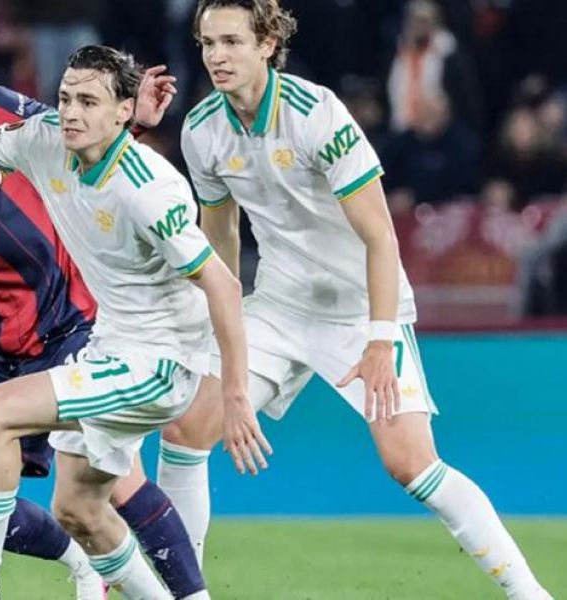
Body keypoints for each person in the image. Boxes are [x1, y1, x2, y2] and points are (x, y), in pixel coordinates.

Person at [158, 1, 554, 599]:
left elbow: (381, 237)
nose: (217, 55)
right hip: (279, 305)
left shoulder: (316, 114)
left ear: (267, 44)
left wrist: (379, 338)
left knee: (411, 464)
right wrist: (219, 336)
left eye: (232, 41)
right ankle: (185, 595)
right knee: (185, 430)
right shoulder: (201, 129)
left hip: (360, 308)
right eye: (208, 43)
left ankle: (531, 595)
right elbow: (221, 241)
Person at [0, 44, 264, 599]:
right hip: (111, 345)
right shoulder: (45, 140)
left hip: (159, 361)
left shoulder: (148, 190)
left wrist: (234, 393)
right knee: (77, 507)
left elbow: (223, 285)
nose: (71, 112)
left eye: (88, 101)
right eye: (65, 98)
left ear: (123, 112)